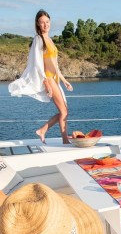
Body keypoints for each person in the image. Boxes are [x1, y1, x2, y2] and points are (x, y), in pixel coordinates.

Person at [8, 10, 73, 144]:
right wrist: (46, 83)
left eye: (47, 22)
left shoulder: (50, 40)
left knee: (65, 111)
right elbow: (38, 64)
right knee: (64, 111)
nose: (45, 25)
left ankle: (43, 130)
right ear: (37, 24)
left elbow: (55, 64)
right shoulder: (39, 39)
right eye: (42, 22)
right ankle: (64, 140)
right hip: (48, 79)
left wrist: (64, 80)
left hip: (55, 79)